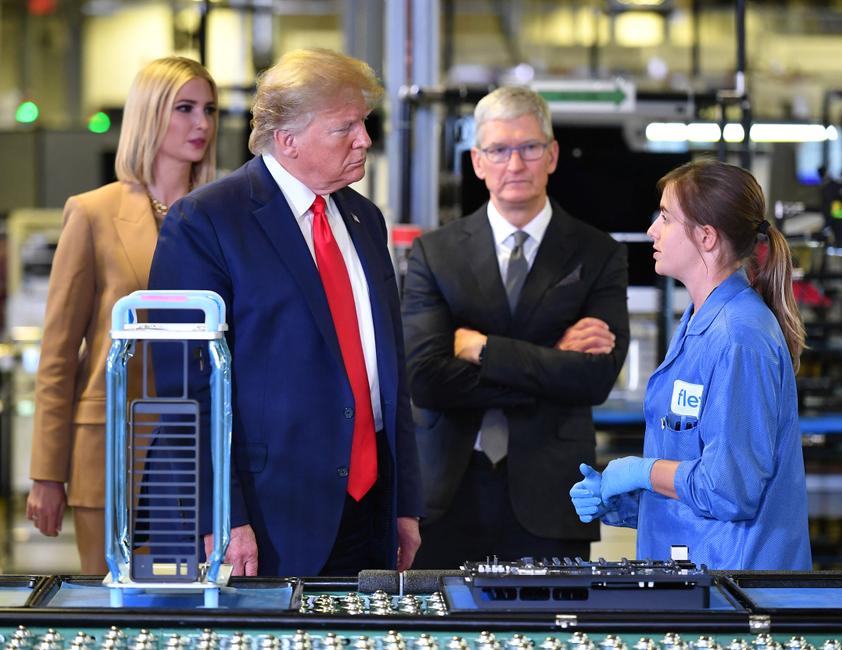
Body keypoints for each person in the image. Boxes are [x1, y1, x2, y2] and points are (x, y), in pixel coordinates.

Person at [148, 48, 423, 577]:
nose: (364, 139)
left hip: (370, 512)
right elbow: (186, 390)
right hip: (264, 519)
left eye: (364, 123)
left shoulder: (365, 219)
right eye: (345, 127)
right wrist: (223, 516)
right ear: (288, 139)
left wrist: (405, 502)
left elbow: (390, 374)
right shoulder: (207, 221)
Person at [401, 86, 630, 567]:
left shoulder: (597, 253)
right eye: (499, 150)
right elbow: (425, 378)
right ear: (478, 161)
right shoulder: (435, 252)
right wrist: (551, 360)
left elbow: (592, 379)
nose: (515, 163)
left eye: (528, 148)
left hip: (552, 498)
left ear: (552, 155)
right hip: (445, 493)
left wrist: (483, 349)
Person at [570, 159, 812, 570]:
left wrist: (643, 472)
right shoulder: (699, 323)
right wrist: (623, 503)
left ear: (706, 237)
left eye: (665, 217)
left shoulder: (740, 337)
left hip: (738, 589)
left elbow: (730, 489)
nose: (652, 230)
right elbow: (691, 477)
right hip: (697, 575)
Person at [26, 56, 218, 574]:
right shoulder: (93, 212)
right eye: (184, 108)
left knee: (190, 599)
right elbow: (59, 352)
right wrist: (47, 472)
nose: (201, 123)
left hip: (198, 440)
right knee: (110, 602)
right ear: (149, 114)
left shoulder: (222, 215)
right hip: (109, 442)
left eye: (208, 109)